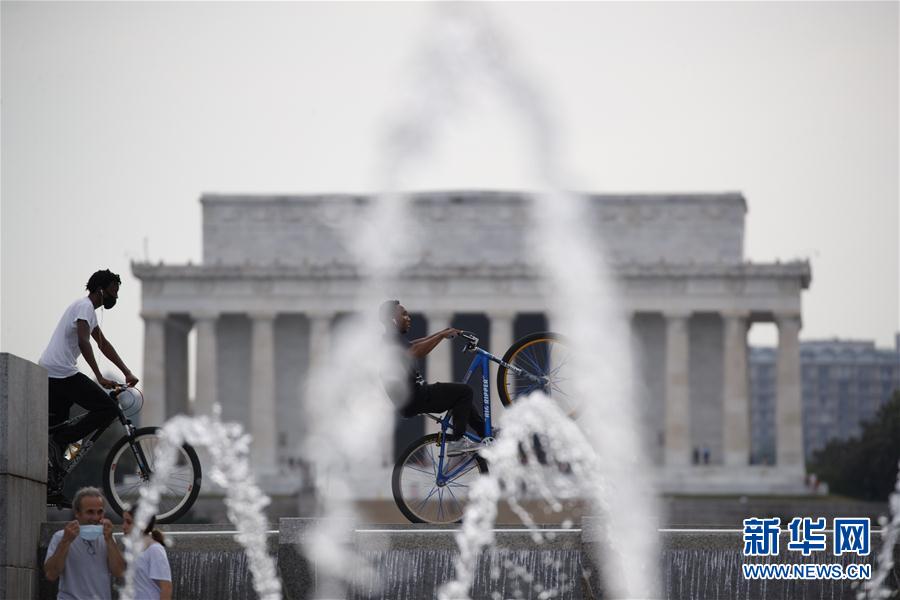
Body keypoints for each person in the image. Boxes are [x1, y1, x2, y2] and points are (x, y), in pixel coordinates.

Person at [40, 269, 139, 503]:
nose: (116, 296)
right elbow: (85, 342)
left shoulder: (89, 312)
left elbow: (103, 345)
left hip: (54, 372)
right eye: (114, 291)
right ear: (100, 290)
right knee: (107, 410)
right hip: (61, 373)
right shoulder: (84, 306)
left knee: (61, 434)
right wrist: (99, 376)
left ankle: (53, 483)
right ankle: (62, 441)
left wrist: (126, 372)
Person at [380, 300, 486, 455]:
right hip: (415, 396)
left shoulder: (391, 337)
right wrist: (442, 335)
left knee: (458, 396)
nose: (408, 317)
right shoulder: (390, 340)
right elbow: (414, 351)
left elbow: (413, 344)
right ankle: (457, 442)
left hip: (413, 397)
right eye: (403, 314)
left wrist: (442, 333)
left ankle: (484, 432)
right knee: (464, 392)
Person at [44, 487, 126, 600]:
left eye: (100, 512)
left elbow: (120, 572)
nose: (96, 517)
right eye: (90, 512)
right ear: (77, 513)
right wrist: (66, 541)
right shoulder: (61, 536)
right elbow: (51, 574)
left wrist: (110, 540)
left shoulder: (107, 537)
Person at [122, 504, 172, 600]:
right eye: (123, 521)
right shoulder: (130, 547)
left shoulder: (155, 550)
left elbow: (166, 587)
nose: (123, 526)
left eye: (128, 522)